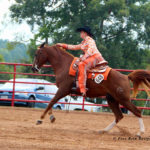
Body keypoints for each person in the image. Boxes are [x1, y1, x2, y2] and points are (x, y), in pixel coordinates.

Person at [56, 26, 107, 96]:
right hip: (91, 57)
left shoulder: (90, 40)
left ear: (85, 33)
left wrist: (84, 57)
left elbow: (91, 50)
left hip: (95, 57)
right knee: (80, 64)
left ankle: (82, 88)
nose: (80, 33)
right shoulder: (84, 42)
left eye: (81, 32)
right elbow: (74, 47)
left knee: (82, 65)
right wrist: (63, 45)